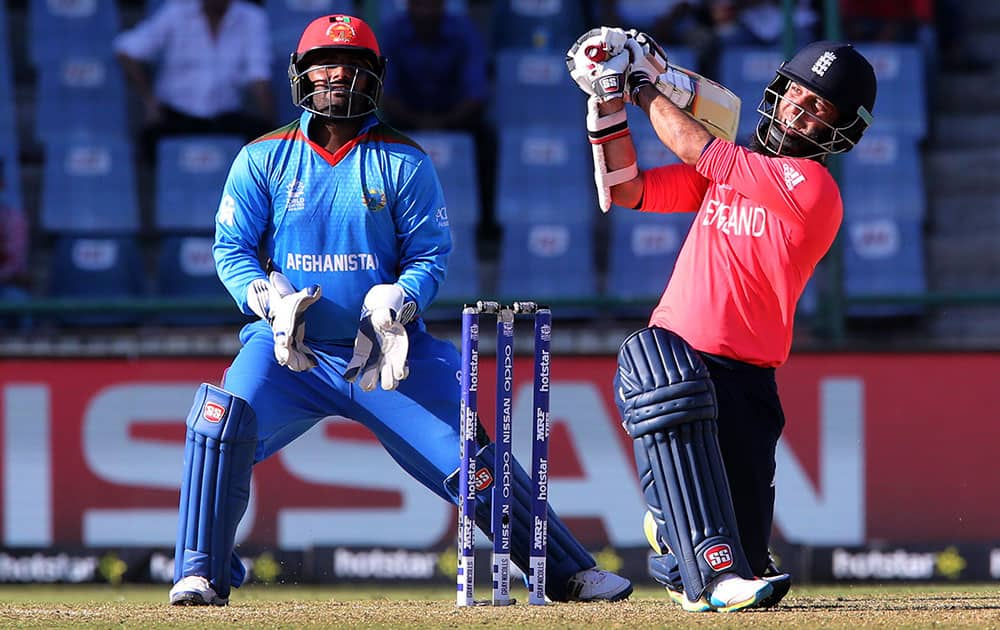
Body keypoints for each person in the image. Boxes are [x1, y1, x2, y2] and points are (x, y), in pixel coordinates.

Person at [167, 13, 632, 607]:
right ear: (300, 75)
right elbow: (231, 249)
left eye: (352, 64)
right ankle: (202, 572)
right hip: (292, 348)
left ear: (375, 75)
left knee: (472, 461)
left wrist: (401, 297)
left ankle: (566, 571)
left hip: (384, 353)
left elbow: (430, 255)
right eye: (323, 65)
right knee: (218, 421)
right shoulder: (263, 157)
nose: (337, 75)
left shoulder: (404, 161)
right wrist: (265, 298)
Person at [567, 29, 877, 611]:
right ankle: (695, 559)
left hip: (749, 378)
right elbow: (628, 188)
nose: (799, 110)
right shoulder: (739, 169)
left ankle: (672, 539)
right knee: (720, 566)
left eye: (818, 108)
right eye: (797, 94)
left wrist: (639, 84)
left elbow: (698, 150)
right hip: (678, 359)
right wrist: (605, 108)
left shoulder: (811, 188)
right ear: (778, 91)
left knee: (751, 564)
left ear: (840, 130)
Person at [378, 0, 497, 255]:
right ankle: (385, 226)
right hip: (405, 120)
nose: (426, 12)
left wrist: (444, 122)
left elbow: (477, 93)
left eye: (432, 6)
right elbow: (385, 94)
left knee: (488, 140)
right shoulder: (392, 32)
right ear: (409, 6)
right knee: (375, 141)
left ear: (443, 6)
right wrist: (419, 122)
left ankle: (486, 226)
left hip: (457, 120)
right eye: (420, 6)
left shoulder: (464, 30)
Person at [113, 0, 277, 163]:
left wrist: (271, 129)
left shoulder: (252, 18)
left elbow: (259, 78)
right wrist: (149, 101)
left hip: (225, 117)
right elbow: (126, 50)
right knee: (148, 141)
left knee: (265, 142)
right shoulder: (176, 12)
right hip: (176, 116)